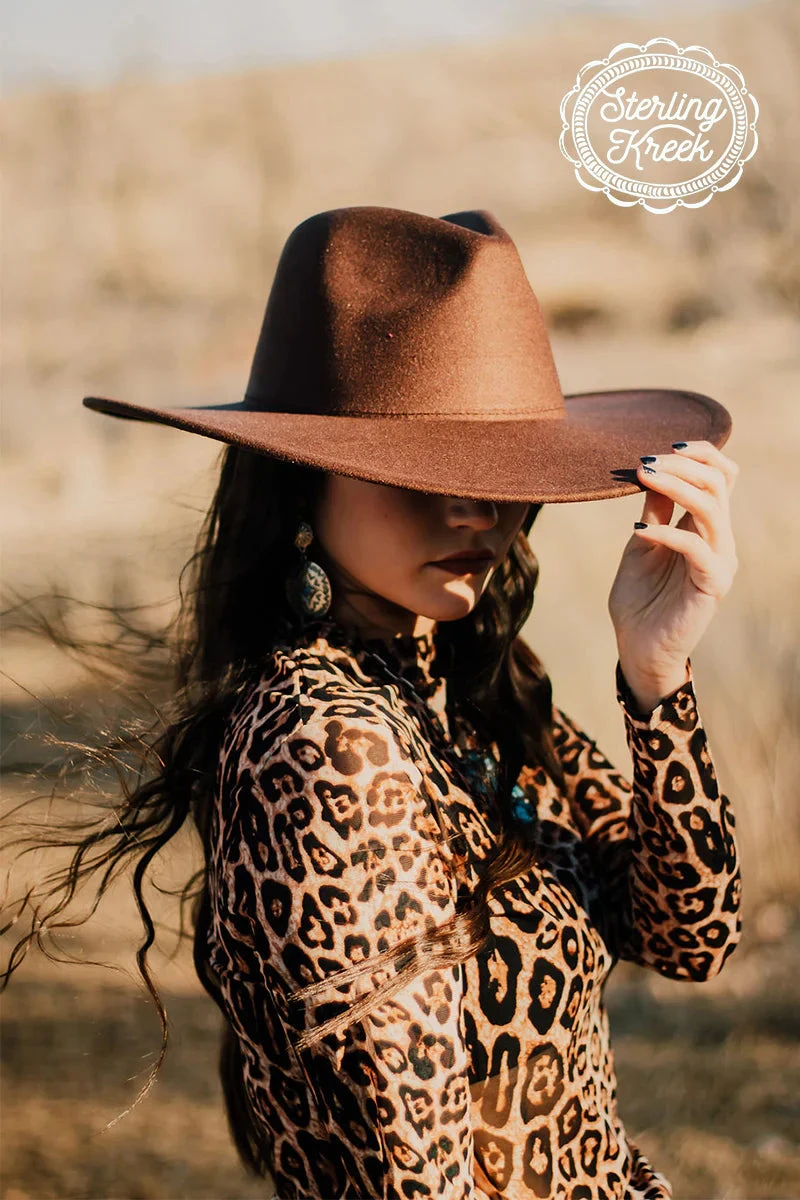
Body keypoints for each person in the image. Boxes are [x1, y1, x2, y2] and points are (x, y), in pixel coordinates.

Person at [6, 206, 741, 1199]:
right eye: (421, 471)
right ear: (303, 479)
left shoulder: (467, 689)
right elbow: (409, 1171)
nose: (474, 509)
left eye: (500, 470)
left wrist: (657, 677)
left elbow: (689, 937)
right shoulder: (323, 743)